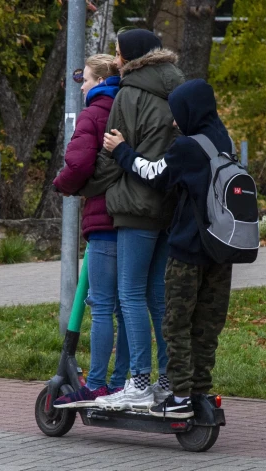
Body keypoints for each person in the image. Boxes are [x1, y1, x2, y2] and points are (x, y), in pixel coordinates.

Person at [102, 78, 234, 418]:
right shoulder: (223, 140)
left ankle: (179, 396)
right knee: (207, 325)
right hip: (221, 249)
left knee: (176, 323)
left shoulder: (187, 147)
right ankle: (201, 391)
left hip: (189, 249)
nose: (174, 122)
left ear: (191, 111)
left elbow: (155, 174)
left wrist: (121, 151)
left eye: (177, 114)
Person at [79, 29, 186, 411]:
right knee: (158, 297)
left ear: (134, 57)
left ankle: (138, 382)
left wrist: (84, 186)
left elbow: (111, 156)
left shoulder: (129, 93)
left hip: (134, 207)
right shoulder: (177, 90)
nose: (117, 61)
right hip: (168, 207)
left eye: (120, 55)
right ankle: (167, 381)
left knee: (130, 295)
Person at [51, 54, 130, 408]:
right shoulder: (130, 108)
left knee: (101, 306)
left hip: (104, 218)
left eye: (84, 79)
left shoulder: (94, 113)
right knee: (128, 307)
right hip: (136, 220)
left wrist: (63, 184)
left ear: (99, 81)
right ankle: (122, 381)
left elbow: (80, 162)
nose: (81, 86)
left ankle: (97, 384)